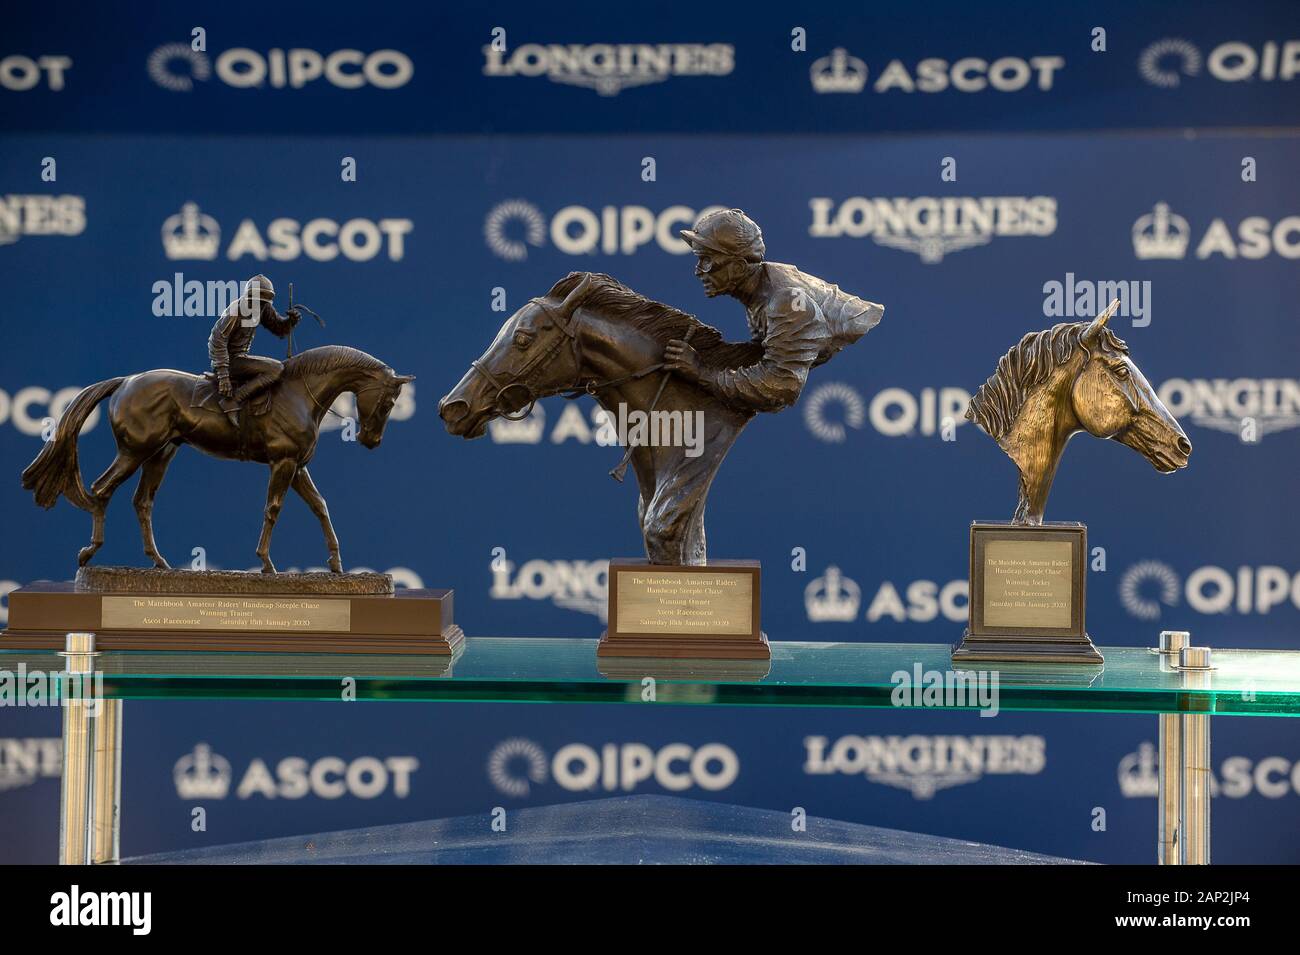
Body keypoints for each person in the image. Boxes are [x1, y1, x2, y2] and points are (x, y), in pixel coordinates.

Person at [665, 208, 883, 413]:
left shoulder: (786, 303)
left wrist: (702, 374)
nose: (698, 272)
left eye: (707, 262)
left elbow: (780, 385)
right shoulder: (761, 289)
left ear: (739, 267)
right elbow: (763, 354)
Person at [208, 274, 300, 427]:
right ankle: (234, 401)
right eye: (257, 302)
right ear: (249, 298)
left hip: (240, 358)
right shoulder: (236, 311)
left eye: (263, 303)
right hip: (230, 362)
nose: (260, 306)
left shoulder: (263, 307)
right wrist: (223, 374)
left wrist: (290, 321)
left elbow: (279, 329)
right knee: (275, 369)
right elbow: (217, 339)